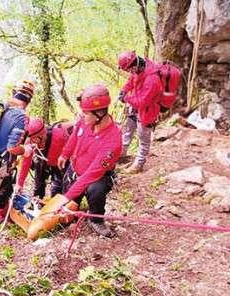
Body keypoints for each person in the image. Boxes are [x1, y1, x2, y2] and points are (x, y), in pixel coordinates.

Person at [54, 84, 122, 238]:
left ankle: (96, 219)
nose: (82, 115)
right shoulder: (85, 122)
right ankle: (71, 210)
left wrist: (66, 197)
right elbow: (74, 137)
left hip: (96, 176)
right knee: (70, 201)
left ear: (100, 113)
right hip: (75, 169)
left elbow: (93, 173)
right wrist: (64, 154)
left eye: (85, 113)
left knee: (95, 190)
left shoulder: (113, 140)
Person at [0, 80, 35, 227]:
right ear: (28, 100)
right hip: (2, 163)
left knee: (4, 190)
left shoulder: (4, 109)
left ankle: (2, 217)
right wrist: (25, 150)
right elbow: (12, 147)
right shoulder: (20, 116)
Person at [117, 50, 163, 174]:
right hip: (135, 108)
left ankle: (139, 164)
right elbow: (132, 80)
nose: (128, 72)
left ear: (134, 65)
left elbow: (142, 101)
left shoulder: (152, 79)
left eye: (128, 69)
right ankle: (121, 155)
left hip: (147, 112)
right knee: (127, 132)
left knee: (143, 139)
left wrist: (126, 98)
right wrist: (124, 90)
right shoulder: (138, 68)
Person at [15, 117, 73, 199]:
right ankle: (37, 203)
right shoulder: (30, 143)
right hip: (42, 162)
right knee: (38, 187)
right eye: (30, 139)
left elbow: (73, 148)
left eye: (34, 139)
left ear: (42, 135)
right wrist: (19, 184)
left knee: (57, 189)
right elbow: (26, 162)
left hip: (60, 164)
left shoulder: (59, 136)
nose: (32, 142)